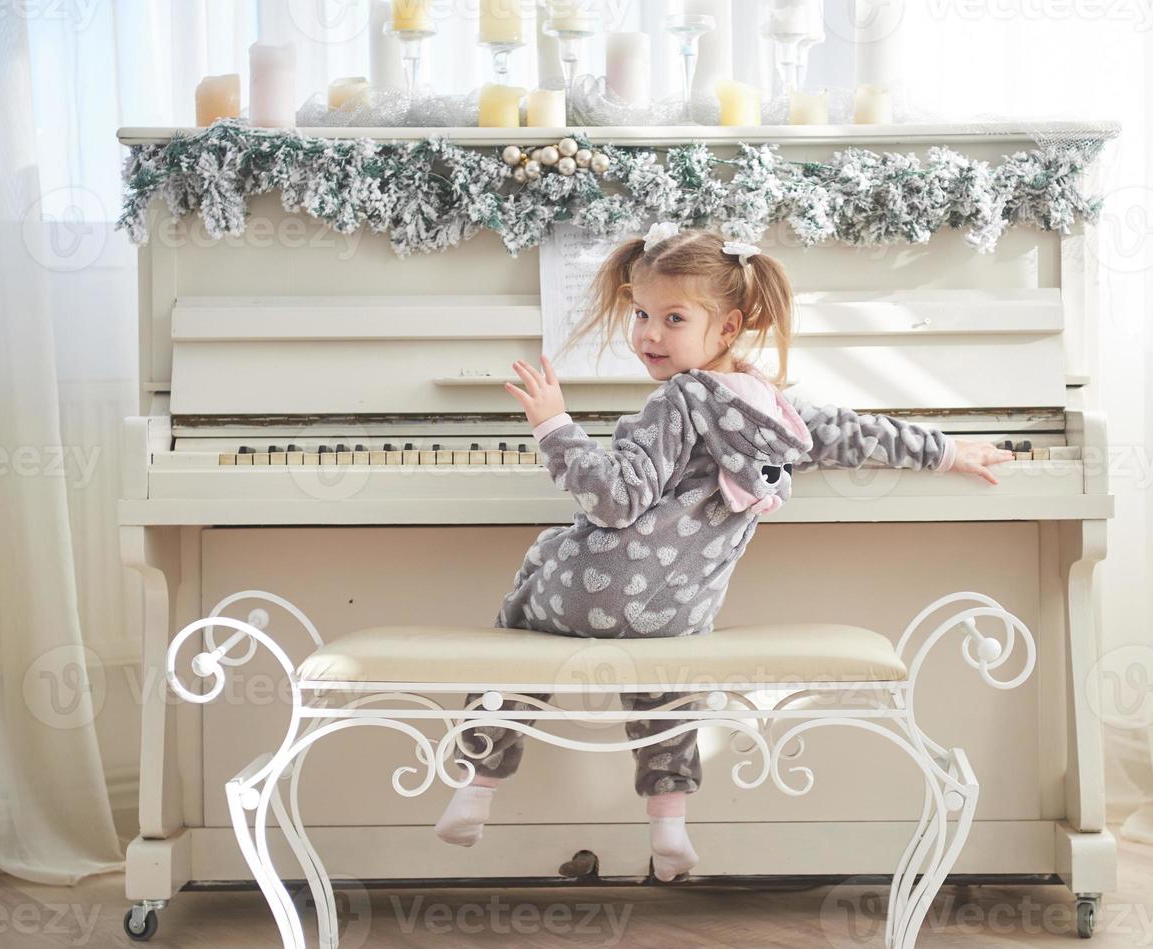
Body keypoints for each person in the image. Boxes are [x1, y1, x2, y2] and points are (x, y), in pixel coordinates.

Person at [434, 223, 1015, 880]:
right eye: (642, 314)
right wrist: (948, 451)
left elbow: (614, 502)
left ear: (729, 326)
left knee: (524, 617)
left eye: (672, 318)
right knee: (669, 670)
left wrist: (555, 427)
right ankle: (669, 825)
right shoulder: (777, 415)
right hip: (675, 612)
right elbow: (857, 434)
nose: (649, 334)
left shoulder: (677, 399)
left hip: (590, 590)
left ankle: (478, 783)